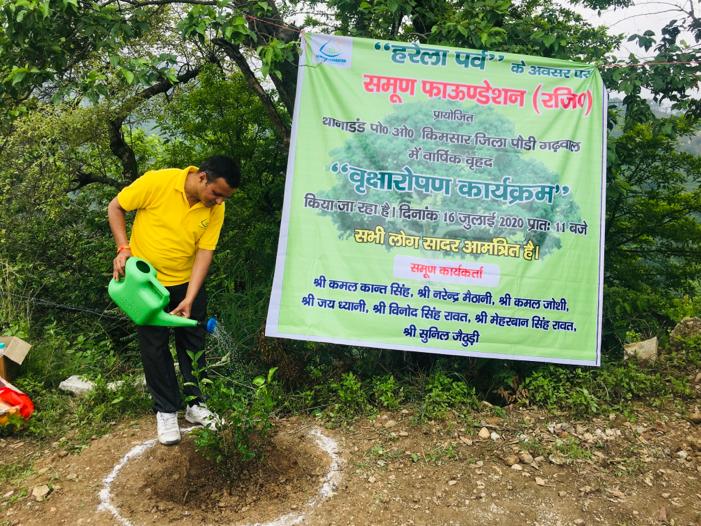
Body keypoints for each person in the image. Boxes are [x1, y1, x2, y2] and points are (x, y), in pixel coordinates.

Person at [108, 156, 240, 445]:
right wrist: (123, 247)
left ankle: (196, 405)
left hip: (186, 282)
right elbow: (115, 206)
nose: (218, 202)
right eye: (216, 193)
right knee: (154, 347)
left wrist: (190, 297)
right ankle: (166, 410)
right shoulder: (158, 182)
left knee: (193, 341)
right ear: (202, 177)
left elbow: (205, 252)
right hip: (147, 285)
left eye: (224, 197)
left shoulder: (215, 208)